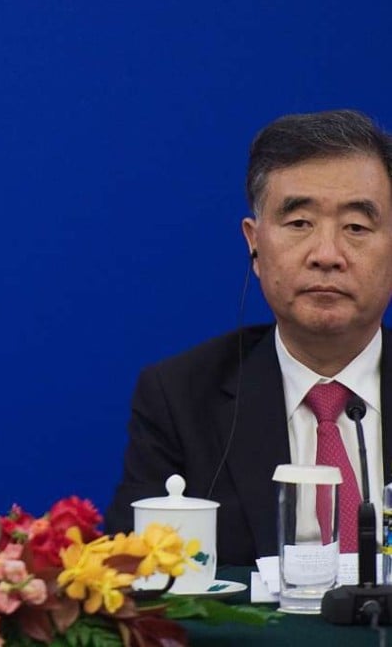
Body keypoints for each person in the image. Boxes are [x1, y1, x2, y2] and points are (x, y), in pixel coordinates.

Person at [106, 109, 392, 566]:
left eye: (356, 227)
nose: (326, 255)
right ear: (255, 245)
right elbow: (133, 583)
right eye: (299, 223)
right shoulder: (180, 397)